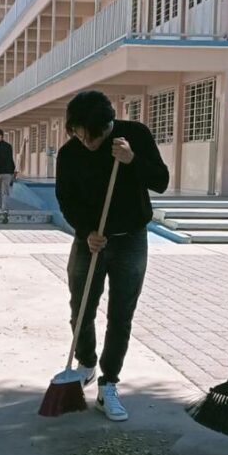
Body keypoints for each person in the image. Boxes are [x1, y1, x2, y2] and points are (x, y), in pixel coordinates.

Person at [55, 90, 169, 421]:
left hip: (131, 239)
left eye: (94, 134)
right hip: (90, 241)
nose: (87, 140)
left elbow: (161, 181)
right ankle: (86, 363)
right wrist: (85, 231)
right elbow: (66, 200)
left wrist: (133, 160)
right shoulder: (70, 153)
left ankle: (109, 384)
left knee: (120, 315)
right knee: (81, 307)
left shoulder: (134, 136)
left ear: (109, 125)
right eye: (79, 132)